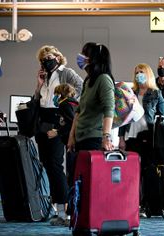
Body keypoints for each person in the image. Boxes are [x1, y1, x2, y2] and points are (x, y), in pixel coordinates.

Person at [34, 45, 83, 226]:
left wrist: (69, 100)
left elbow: (81, 87)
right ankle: (58, 208)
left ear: (57, 57)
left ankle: (64, 211)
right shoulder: (44, 76)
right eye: (42, 59)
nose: (46, 61)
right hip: (43, 120)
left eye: (49, 57)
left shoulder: (66, 72)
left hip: (59, 118)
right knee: (47, 164)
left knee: (55, 165)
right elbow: (38, 100)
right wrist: (39, 85)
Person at [118, 63, 164, 217]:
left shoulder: (156, 93)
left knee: (148, 172)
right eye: (137, 72)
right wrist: (121, 138)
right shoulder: (130, 92)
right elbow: (121, 116)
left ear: (148, 74)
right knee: (132, 174)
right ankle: (133, 204)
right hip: (131, 136)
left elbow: (163, 116)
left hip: (148, 136)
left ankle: (147, 205)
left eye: (142, 72)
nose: (139, 74)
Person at [67, 42, 115, 153]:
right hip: (80, 138)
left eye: (84, 54)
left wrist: (106, 136)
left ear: (93, 59)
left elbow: (109, 109)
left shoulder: (104, 79)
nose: (80, 56)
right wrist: (71, 135)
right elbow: (79, 111)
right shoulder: (88, 80)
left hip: (94, 139)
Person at [47, 83, 78, 188]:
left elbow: (71, 123)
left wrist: (57, 132)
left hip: (72, 142)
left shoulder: (64, 104)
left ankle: (69, 200)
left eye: (56, 94)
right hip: (77, 141)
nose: (54, 97)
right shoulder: (75, 103)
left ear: (60, 95)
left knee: (71, 172)